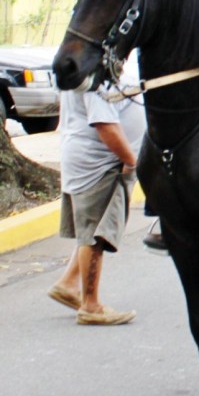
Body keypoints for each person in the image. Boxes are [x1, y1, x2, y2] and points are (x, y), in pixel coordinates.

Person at [47, 83, 145, 325]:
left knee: (92, 229)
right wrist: (131, 162)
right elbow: (105, 126)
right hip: (99, 165)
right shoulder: (96, 81)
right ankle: (91, 306)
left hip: (87, 159)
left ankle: (69, 284)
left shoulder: (87, 73)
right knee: (95, 235)